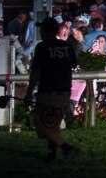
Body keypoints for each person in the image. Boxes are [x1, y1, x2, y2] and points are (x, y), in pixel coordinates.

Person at [28, 12, 78, 159]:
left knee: (42, 126)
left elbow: (36, 72)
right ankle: (52, 154)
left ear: (44, 31)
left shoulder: (42, 47)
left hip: (47, 92)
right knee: (53, 125)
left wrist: (29, 92)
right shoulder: (67, 47)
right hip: (64, 92)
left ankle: (66, 148)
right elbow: (73, 64)